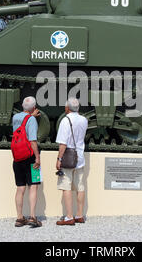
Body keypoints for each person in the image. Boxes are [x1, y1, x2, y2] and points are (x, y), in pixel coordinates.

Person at [55, 97, 88, 226]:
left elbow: (63, 143)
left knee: (66, 186)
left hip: (68, 158)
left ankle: (69, 217)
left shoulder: (65, 120)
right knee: (80, 186)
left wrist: (59, 159)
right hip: (80, 156)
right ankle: (79, 215)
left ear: (67, 108)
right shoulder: (84, 120)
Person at [12, 96, 42, 228]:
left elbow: (22, 123)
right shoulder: (31, 120)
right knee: (33, 186)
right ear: (34, 108)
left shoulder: (15, 118)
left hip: (17, 157)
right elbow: (32, 141)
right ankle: (32, 217)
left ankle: (19, 218)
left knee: (20, 188)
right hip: (30, 157)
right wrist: (37, 158)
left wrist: (31, 116)